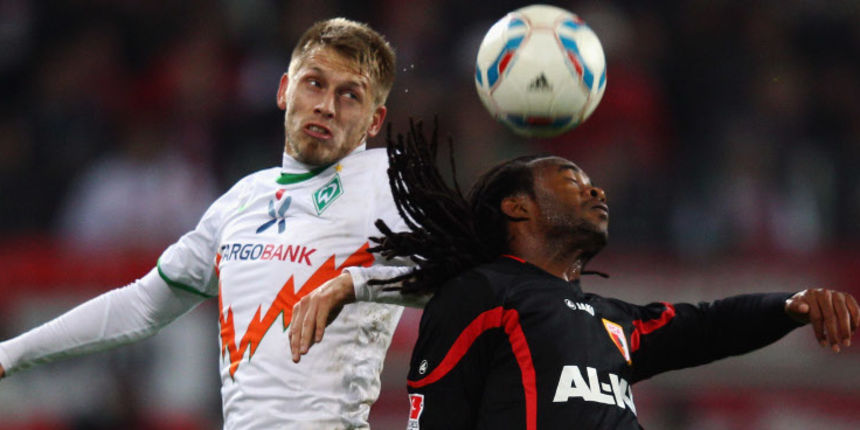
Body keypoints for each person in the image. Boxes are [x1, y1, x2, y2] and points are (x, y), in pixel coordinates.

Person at [290, 122, 859, 429]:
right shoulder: (481, 295)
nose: (596, 190)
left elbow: (708, 325)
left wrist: (790, 306)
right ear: (517, 208)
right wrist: (355, 283)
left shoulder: (615, 322)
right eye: (571, 180)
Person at [0, 18, 410, 429]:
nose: (326, 106)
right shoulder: (242, 200)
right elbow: (142, 304)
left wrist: (355, 284)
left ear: (375, 121)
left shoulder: (388, 185)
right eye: (315, 84)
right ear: (285, 90)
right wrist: (10, 354)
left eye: (349, 95)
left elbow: (445, 279)